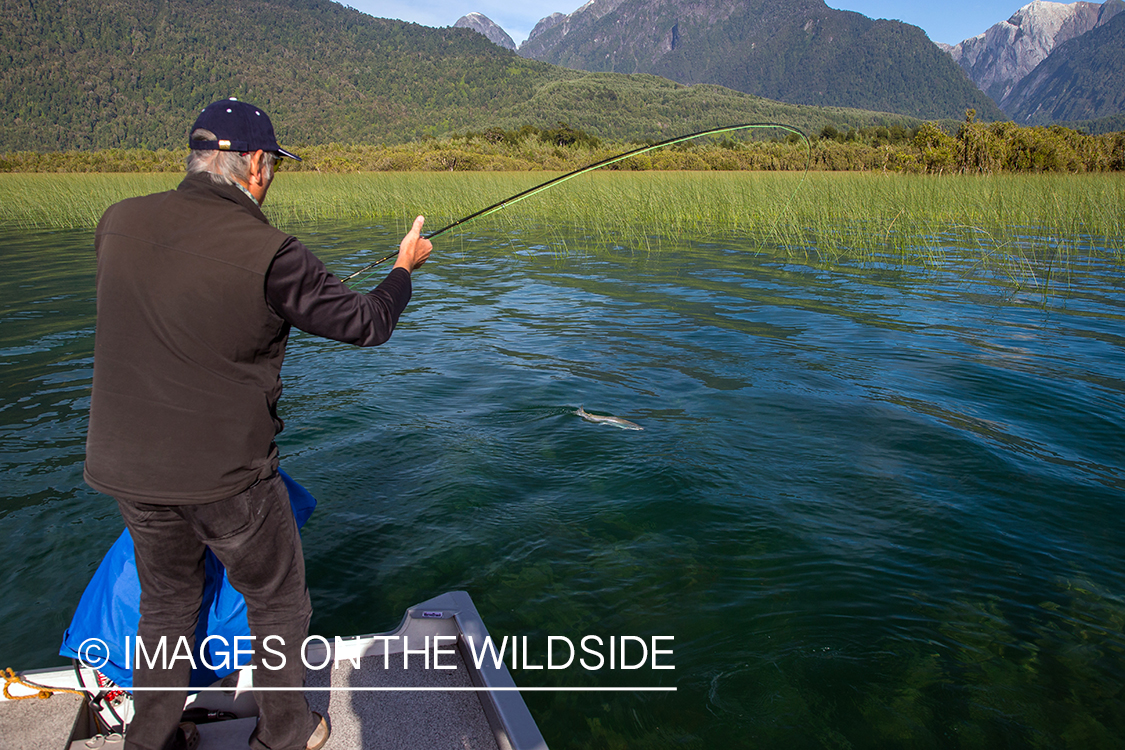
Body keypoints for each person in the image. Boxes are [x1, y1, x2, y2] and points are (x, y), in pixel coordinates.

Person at [83, 98, 432, 750]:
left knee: (166, 606)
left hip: (126, 471)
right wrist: (401, 270)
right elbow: (368, 323)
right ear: (252, 164)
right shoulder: (271, 251)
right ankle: (284, 736)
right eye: (270, 163)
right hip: (227, 479)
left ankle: (149, 740)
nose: (270, 175)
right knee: (277, 604)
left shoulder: (116, 222)